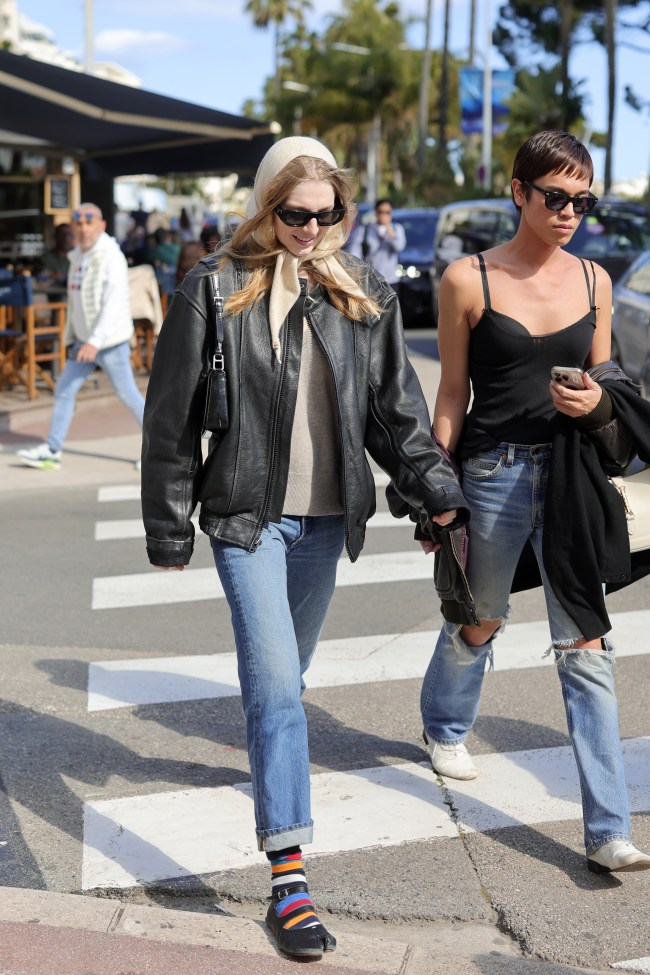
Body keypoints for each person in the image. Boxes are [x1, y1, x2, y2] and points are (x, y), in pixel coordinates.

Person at [141, 136, 468, 958]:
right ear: (265, 207)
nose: (312, 230)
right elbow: (171, 419)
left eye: (328, 215)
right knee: (282, 690)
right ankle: (289, 880)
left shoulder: (364, 292)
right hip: (248, 519)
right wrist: (168, 525)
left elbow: (396, 416)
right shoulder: (212, 291)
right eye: (295, 214)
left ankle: (265, 748)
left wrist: (443, 496)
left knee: (286, 675)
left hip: (326, 523)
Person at [417, 130, 650, 875]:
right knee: (481, 616)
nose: (571, 212)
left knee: (586, 647)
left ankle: (608, 829)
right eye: (556, 197)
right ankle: (443, 722)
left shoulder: (595, 281)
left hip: (574, 477)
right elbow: (452, 393)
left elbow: (610, 380)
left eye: (583, 200)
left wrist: (594, 403)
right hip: (492, 474)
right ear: (519, 192)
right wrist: (436, 490)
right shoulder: (468, 279)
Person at [17, 204, 145, 471]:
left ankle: (159, 453)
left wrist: (93, 341)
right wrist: (79, 339)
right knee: (64, 390)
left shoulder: (111, 256)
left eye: (89, 221)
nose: (84, 227)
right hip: (85, 341)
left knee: (128, 395)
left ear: (101, 225)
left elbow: (113, 304)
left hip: (108, 341)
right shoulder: (77, 257)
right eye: (78, 222)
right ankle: (52, 450)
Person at [348, 197, 406, 285]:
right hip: (370, 279)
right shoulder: (365, 229)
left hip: (390, 280)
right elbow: (354, 251)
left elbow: (399, 246)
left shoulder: (397, 229)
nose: (384, 215)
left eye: (387, 212)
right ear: (376, 212)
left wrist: (389, 230)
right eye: (381, 212)